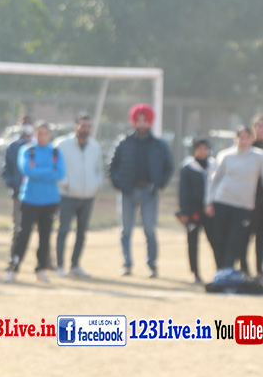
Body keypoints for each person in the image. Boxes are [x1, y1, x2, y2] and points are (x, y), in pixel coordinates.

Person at [108, 104, 174, 278]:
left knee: (150, 230)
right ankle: (127, 264)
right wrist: (119, 185)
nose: (142, 124)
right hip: (127, 193)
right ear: (134, 121)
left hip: (149, 193)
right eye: (139, 120)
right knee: (126, 230)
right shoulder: (123, 143)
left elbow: (169, 167)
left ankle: (152, 265)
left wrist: (159, 185)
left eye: (145, 120)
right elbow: (112, 166)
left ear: (150, 121)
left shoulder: (159, 145)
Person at [5, 122, 65, 283]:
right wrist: (48, 170)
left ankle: (40, 269)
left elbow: (60, 173)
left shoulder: (55, 152)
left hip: (50, 200)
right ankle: (13, 268)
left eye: (45, 133)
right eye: (39, 133)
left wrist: (38, 171)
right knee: (23, 234)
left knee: (45, 236)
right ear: (35, 134)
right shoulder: (27, 151)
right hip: (30, 199)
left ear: (49, 135)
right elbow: (27, 171)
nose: (42, 137)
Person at [205, 126, 263, 277]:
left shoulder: (259, 157)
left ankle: (227, 271)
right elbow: (215, 180)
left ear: (252, 139)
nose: (244, 141)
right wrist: (209, 202)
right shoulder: (226, 155)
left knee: (235, 240)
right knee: (220, 238)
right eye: (241, 138)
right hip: (223, 201)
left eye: (247, 138)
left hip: (244, 206)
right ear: (235, 139)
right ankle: (221, 271)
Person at [54, 113, 103, 277]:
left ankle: (75, 265)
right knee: (63, 230)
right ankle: (60, 266)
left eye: (88, 126)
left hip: (88, 196)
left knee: (81, 233)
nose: (85, 129)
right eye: (82, 125)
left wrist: (96, 185)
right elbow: (56, 167)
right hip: (67, 196)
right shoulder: (62, 144)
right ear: (75, 126)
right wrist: (65, 184)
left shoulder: (95, 146)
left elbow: (99, 169)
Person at [177, 137, 219, 284]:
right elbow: (183, 192)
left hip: (210, 210)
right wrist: (184, 212)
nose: (203, 152)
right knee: (193, 242)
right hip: (193, 211)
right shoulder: (188, 168)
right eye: (199, 149)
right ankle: (195, 272)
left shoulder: (214, 166)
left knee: (216, 241)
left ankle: (220, 269)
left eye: (206, 149)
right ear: (194, 150)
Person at [1, 114, 34, 273]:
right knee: (18, 228)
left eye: (30, 123)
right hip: (19, 193)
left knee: (44, 229)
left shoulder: (38, 144)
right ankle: (13, 259)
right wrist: (13, 183)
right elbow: (6, 168)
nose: (27, 126)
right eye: (24, 123)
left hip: (38, 194)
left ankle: (46, 261)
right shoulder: (13, 146)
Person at [239, 114, 263, 277]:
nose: (260, 129)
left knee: (261, 237)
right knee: (244, 235)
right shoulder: (248, 148)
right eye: (258, 126)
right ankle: (244, 268)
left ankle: (259, 270)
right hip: (247, 199)